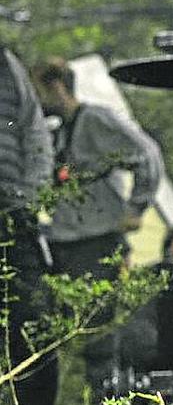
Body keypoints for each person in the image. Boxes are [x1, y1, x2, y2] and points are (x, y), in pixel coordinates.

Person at [30, 57, 166, 397]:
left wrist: (137, 207)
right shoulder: (59, 129)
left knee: (100, 338)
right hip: (65, 243)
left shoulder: (95, 120)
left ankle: (110, 400)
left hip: (96, 242)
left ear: (56, 86)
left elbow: (147, 154)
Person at [0, 46, 57, 405]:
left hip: (11, 214)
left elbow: (35, 133)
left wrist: (28, 199)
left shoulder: (6, 65)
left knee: (31, 320)